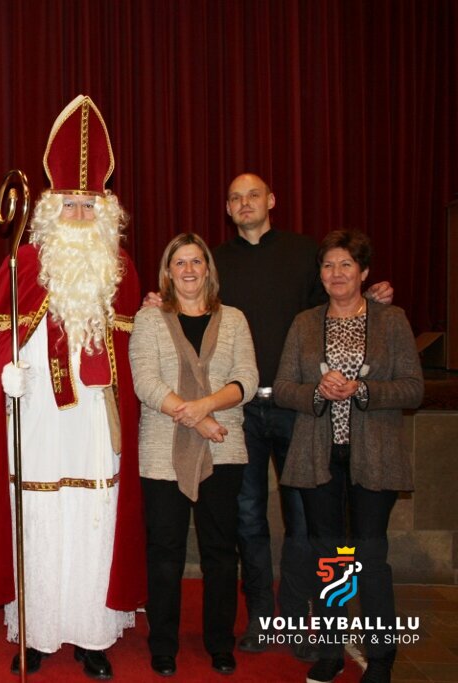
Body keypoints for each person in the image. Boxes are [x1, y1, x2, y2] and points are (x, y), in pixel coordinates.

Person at [142, 173, 392, 661]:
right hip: (239, 415)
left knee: (304, 520)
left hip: (297, 407)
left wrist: (371, 295)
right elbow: (186, 304)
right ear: (227, 209)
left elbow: (338, 296)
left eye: (253, 195)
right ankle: (260, 618)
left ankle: (298, 621)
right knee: (247, 521)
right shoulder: (215, 260)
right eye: (235, 198)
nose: (244, 203)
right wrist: (158, 298)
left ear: (271, 200)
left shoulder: (304, 254)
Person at [0, 94, 147, 680]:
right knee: (38, 514)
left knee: (92, 514)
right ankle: (38, 631)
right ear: (50, 209)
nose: (78, 214)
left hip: (95, 422)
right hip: (39, 419)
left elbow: (131, 352)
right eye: (69, 204)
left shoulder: (121, 270)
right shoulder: (23, 264)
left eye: (88, 205)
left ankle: (92, 635)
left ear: (105, 211)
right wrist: (6, 370)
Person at [273, 230, 422, 683]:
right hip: (318, 456)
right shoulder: (304, 323)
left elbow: (413, 388)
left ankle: (381, 658)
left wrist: (364, 389)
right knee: (330, 557)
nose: (336, 273)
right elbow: (283, 388)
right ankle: (331, 652)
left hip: (375, 456)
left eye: (345, 265)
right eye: (328, 265)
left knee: (371, 556)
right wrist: (317, 390)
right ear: (319, 274)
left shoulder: (391, 320)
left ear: (364, 272)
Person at [128, 233, 258, 677]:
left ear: (208, 270)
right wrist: (198, 420)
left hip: (224, 449)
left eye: (196, 262)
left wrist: (204, 408)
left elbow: (247, 380)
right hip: (162, 452)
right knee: (165, 552)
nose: (188, 270)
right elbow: (145, 382)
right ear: (168, 272)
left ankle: (220, 643)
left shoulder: (234, 320)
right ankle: (163, 644)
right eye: (179, 262)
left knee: (220, 552)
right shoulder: (149, 319)